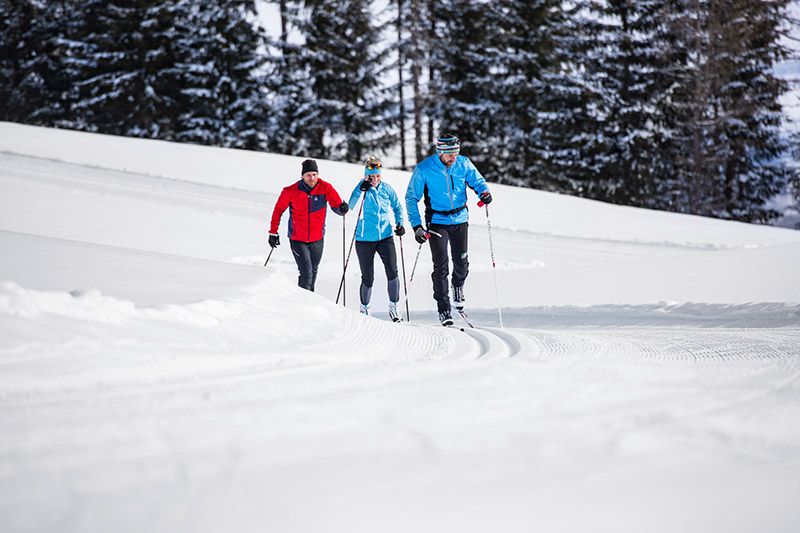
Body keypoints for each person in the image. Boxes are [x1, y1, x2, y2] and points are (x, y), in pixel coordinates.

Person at [405, 133, 492, 326]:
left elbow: (478, 181)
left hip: (460, 218)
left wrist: (484, 192)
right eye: (449, 153)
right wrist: (417, 226)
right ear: (440, 152)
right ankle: (444, 309)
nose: (453, 157)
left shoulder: (464, 163)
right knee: (441, 266)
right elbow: (411, 198)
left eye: (456, 152)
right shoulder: (424, 169)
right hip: (437, 221)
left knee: (461, 263)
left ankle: (458, 286)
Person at [269, 158, 348, 291]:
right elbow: (278, 211)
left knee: (313, 271)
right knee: (306, 273)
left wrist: (342, 209)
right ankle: (303, 305)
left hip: (317, 239)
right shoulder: (290, 191)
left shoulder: (326, 187)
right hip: (297, 239)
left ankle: (309, 302)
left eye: (314, 174)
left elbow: (337, 206)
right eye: (308, 175)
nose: (312, 178)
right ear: (302, 176)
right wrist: (273, 232)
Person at [347, 155, 406, 322]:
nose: (375, 179)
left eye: (378, 176)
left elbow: (397, 207)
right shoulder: (362, 188)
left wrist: (400, 224)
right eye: (372, 176)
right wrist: (360, 188)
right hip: (364, 239)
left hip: (385, 236)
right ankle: (364, 309)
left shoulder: (387, 189)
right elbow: (350, 205)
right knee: (368, 276)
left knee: (392, 271)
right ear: (366, 175)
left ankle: (394, 307)